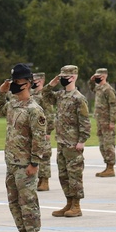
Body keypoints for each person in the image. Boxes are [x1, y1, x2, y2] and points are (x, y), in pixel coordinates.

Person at [0, 63, 48, 232]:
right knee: (14, 202)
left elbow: (39, 139)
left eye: (17, 81)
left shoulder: (34, 109)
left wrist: (34, 163)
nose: (14, 85)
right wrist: (1, 93)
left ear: (27, 83)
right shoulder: (13, 105)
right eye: (12, 81)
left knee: (28, 202)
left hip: (26, 164)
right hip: (12, 162)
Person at [43, 65, 91, 218]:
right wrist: (52, 83)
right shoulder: (60, 95)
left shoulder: (78, 98)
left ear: (74, 77)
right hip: (62, 142)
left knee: (74, 174)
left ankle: (76, 205)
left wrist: (82, 141)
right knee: (63, 175)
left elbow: (85, 121)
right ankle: (69, 202)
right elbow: (44, 95)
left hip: (73, 142)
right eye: (61, 76)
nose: (62, 79)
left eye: (66, 76)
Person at [90, 68, 116, 177]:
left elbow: (114, 106)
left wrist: (113, 121)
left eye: (99, 76)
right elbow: (91, 88)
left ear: (104, 76)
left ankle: (110, 168)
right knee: (102, 145)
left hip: (107, 122)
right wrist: (91, 80)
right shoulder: (99, 88)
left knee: (108, 145)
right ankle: (107, 166)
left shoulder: (108, 89)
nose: (97, 78)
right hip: (100, 121)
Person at [30, 72, 56, 191]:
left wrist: (48, 132)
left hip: (43, 131)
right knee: (34, 155)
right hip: (32, 130)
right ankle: (37, 180)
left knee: (44, 155)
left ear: (40, 81)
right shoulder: (30, 95)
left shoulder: (44, 96)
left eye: (34, 80)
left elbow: (50, 115)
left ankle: (44, 181)